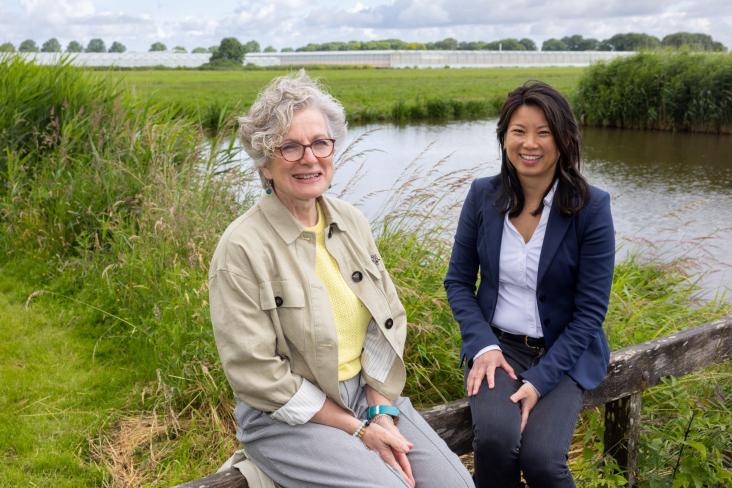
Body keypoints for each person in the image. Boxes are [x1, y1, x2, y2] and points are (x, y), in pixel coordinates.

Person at [209, 70, 474, 488]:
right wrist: (356, 429)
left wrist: (380, 410)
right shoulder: (241, 248)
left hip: (367, 395)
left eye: (319, 143)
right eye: (290, 147)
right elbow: (256, 372)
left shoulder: (351, 220)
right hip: (286, 418)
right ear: (265, 159)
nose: (309, 158)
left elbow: (387, 318)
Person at [444, 81, 615, 488]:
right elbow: (458, 281)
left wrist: (540, 381)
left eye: (543, 131)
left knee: (542, 460)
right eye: (518, 131)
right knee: (497, 442)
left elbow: (591, 312)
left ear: (564, 138)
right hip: (497, 349)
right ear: (504, 137)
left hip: (564, 352)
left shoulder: (592, 207)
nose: (530, 143)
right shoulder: (482, 195)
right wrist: (482, 345)